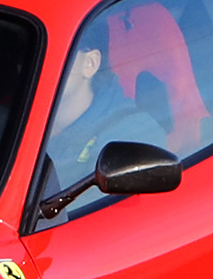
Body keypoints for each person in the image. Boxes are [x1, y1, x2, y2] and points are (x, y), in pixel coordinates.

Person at [40, 44, 171, 194]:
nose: (38, 63)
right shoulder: (17, 118)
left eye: (53, 51)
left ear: (90, 63)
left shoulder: (131, 134)